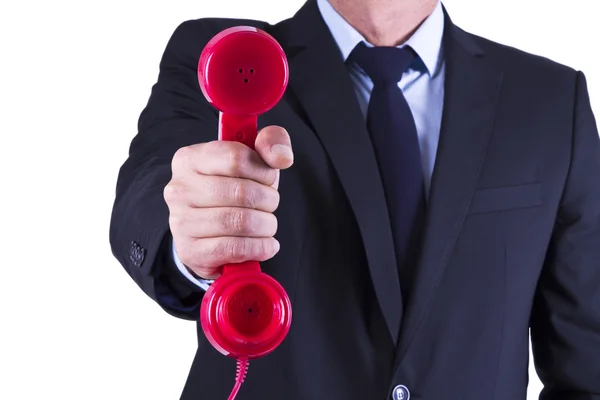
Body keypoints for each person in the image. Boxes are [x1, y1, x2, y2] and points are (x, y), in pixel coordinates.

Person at [109, 0, 600, 398]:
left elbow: (587, 368)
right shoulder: (227, 59)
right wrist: (188, 233)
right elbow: (148, 191)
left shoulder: (552, 98)